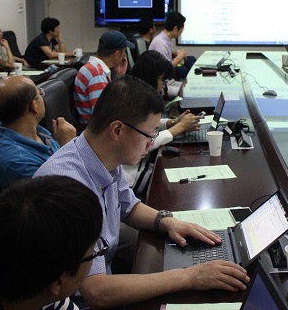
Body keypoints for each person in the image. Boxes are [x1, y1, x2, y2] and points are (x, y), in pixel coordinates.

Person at [34, 76, 249, 308]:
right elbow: (96, 292)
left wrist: (168, 222)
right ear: (117, 130)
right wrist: (189, 277)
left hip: (108, 270)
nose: (151, 143)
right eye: (150, 134)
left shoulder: (101, 154)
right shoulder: (68, 187)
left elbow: (128, 205)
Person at [0, 176, 103, 310]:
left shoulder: (34, 274)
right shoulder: (40, 274)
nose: (95, 253)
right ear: (58, 283)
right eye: (93, 253)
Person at [126, 50, 202, 187]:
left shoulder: (135, 92)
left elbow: (146, 124)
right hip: (132, 178)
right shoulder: (133, 102)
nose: (163, 85)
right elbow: (143, 142)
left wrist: (173, 122)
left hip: (140, 166)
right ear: (150, 77)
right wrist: (179, 128)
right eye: (162, 80)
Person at [0, 75, 76, 188]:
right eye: (40, 93)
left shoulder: (38, 132)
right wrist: (68, 146)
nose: (42, 97)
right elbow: (68, 190)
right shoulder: (18, 162)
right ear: (34, 106)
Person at [74, 30, 135, 125]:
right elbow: (104, 116)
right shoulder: (96, 75)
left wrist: (120, 76)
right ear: (117, 54)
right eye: (124, 52)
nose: (125, 55)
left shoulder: (96, 69)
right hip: (96, 130)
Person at [149, 11, 196, 79]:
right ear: (175, 29)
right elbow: (165, 70)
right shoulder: (160, 43)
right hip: (162, 75)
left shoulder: (164, 38)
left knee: (191, 59)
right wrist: (179, 57)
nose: (181, 32)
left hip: (167, 66)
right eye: (181, 30)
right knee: (185, 70)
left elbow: (164, 56)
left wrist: (174, 53)